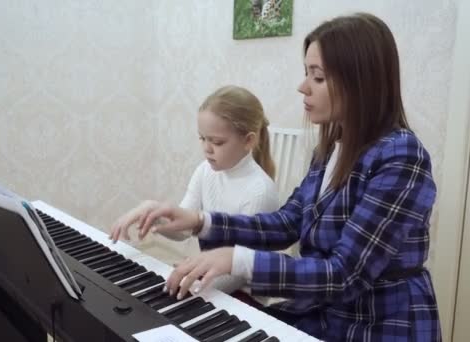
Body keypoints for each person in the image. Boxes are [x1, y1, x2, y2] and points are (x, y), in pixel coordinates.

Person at [131, 13, 441, 341]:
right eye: (306, 73)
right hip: (322, 312)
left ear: (360, 82)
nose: (302, 86)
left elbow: (345, 275)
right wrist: (198, 221)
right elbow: (287, 223)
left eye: (317, 77)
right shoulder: (330, 150)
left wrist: (236, 260)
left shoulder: (402, 156)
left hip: (377, 323)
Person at [109, 85, 280, 293]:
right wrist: (152, 212)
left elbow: (239, 273)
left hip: (242, 297)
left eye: (217, 142)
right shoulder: (205, 171)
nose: (207, 149)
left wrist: (193, 287)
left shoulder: (260, 192)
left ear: (248, 140)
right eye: (202, 138)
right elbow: (183, 230)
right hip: (210, 282)